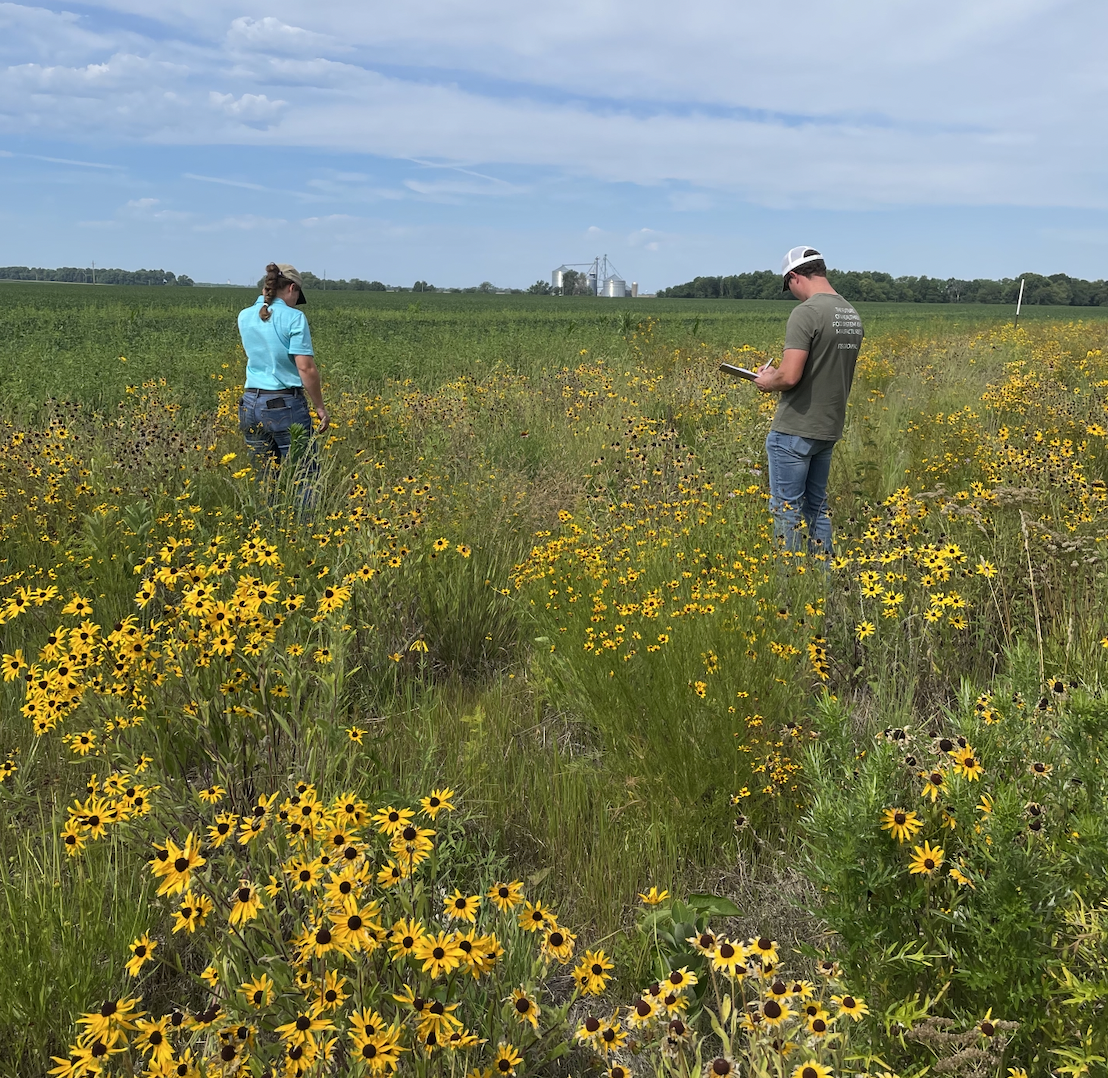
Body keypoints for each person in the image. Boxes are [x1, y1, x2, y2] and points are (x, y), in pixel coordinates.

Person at [753, 247, 863, 557]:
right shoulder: (850, 313)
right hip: (827, 428)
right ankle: (822, 581)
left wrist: (766, 380)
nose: (791, 294)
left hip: (795, 429)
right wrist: (779, 373)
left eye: (788, 286)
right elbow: (819, 368)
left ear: (794, 277)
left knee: (786, 511)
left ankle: (789, 587)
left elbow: (789, 377)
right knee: (817, 507)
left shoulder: (807, 312)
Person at [237, 262, 330, 502]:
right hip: (285, 404)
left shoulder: (245, 315)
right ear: (291, 288)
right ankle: (306, 528)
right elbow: (305, 367)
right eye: (297, 294)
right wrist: (320, 407)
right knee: (305, 473)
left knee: (264, 476)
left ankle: (268, 528)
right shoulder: (294, 318)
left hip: (249, 403)